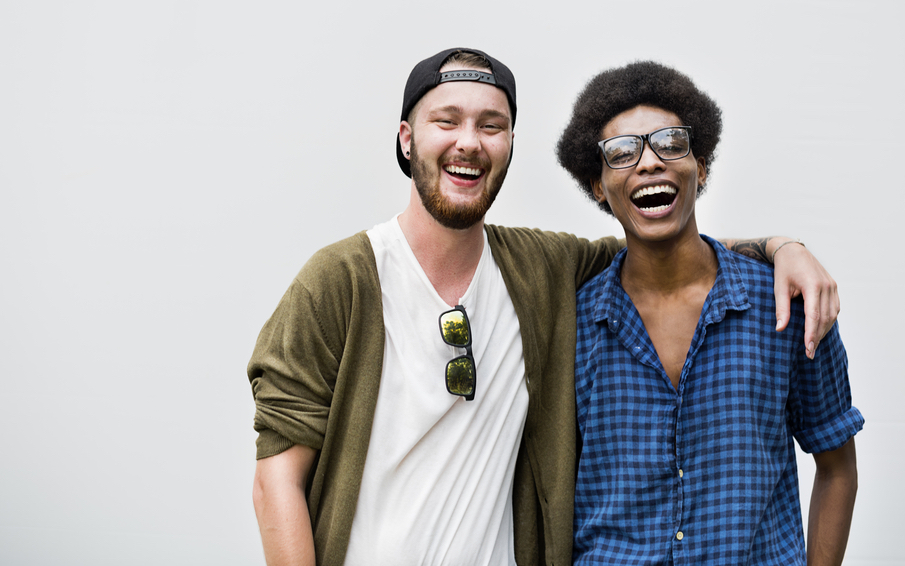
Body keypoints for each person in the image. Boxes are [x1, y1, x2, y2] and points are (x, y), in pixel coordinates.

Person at [247, 48, 841, 566]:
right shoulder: (341, 281)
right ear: (407, 137)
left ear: (509, 143)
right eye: (445, 121)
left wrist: (783, 248)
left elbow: (664, 247)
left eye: (491, 124)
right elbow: (277, 478)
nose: (468, 142)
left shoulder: (541, 273)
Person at [556, 61, 863, 565]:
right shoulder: (570, 323)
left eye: (671, 143)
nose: (649, 162)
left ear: (701, 166)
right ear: (596, 184)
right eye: (622, 152)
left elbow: (836, 467)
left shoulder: (785, 305)